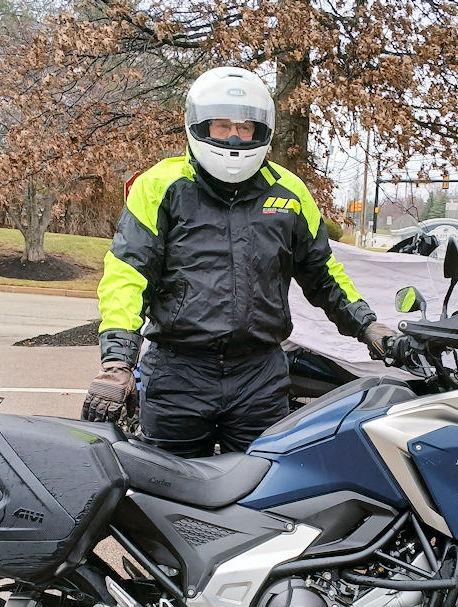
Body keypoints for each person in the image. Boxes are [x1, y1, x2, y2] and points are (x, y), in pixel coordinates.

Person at [82, 66, 395, 457]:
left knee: (266, 484)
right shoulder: (160, 186)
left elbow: (323, 274)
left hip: (258, 375)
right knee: (167, 485)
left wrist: (367, 325)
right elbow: (127, 275)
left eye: (245, 127)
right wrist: (117, 362)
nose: (233, 136)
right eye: (222, 125)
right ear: (199, 125)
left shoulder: (290, 194)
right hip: (179, 373)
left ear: (261, 130)